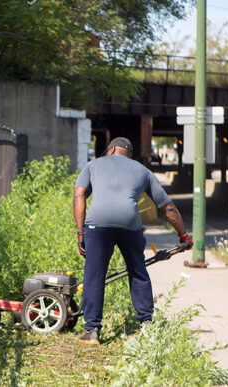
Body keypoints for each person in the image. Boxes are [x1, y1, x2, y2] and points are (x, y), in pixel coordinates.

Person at [73, 137, 192, 344]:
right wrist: (183, 235)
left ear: (110, 151)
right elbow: (168, 207)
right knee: (137, 271)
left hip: (97, 224)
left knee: (94, 275)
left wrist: (80, 231)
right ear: (129, 154)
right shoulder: (142, 170)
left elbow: (79, 193)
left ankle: (92, 330)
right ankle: (146, 325)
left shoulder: (93, 165)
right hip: (130, 224)